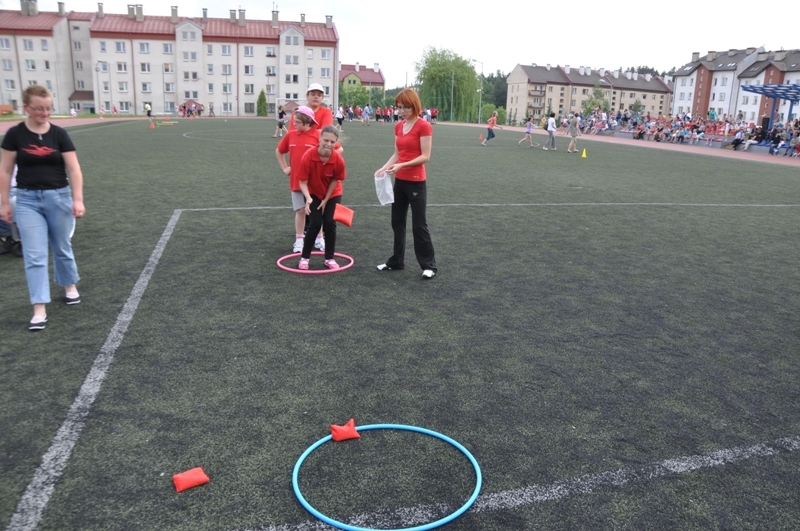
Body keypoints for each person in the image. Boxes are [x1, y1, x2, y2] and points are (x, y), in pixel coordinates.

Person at [0, 85, 85, 330]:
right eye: (39, 109)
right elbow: (5, 170)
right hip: (27, 200)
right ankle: (39, 307)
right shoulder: (15, 135)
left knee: (62, 246)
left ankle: (69, 285)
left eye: (48, 108)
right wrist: (4, 202)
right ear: (26, 107)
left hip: (58, 197)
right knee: (34, 254)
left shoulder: (59, 134)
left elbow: (74, 169)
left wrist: (77, 199)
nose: (45, 113)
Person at [374, 88, 436, 279]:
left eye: (406, 107)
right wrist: (384, 168)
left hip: (416, 182)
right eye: (399, 107)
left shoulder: (424, 126)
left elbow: (425, 156)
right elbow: (397, 153)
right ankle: (396, 261)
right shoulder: (398, 126)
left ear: (414, 106)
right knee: (397, 222)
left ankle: (429, 265)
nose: (402, 111)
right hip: (400, 182)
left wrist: (401, 165)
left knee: (419, 225)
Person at [297, 125, 346, 270]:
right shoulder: (308, 156)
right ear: (319, 139)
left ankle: (329, 258)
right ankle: (305, 258)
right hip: (312, 193)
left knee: (330, 223)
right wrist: (308, 198)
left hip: (333, 193)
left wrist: (326, 199)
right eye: (326, 140)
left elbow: (335, 180)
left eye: (332, 142)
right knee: (315, 223)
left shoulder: (338, 159)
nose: (329, 144)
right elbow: (302, 182)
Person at [276, 106, 324, 253]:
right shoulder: (290, 135)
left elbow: (336, 150)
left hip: (314, 183)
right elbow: (279, 151)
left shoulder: (318, 135)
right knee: (301, 211)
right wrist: (284, 168)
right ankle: (299, 240)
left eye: (297, 121)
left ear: (306, 122)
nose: (293, 123)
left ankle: (319, 239)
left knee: (316, 211)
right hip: (296, 181)